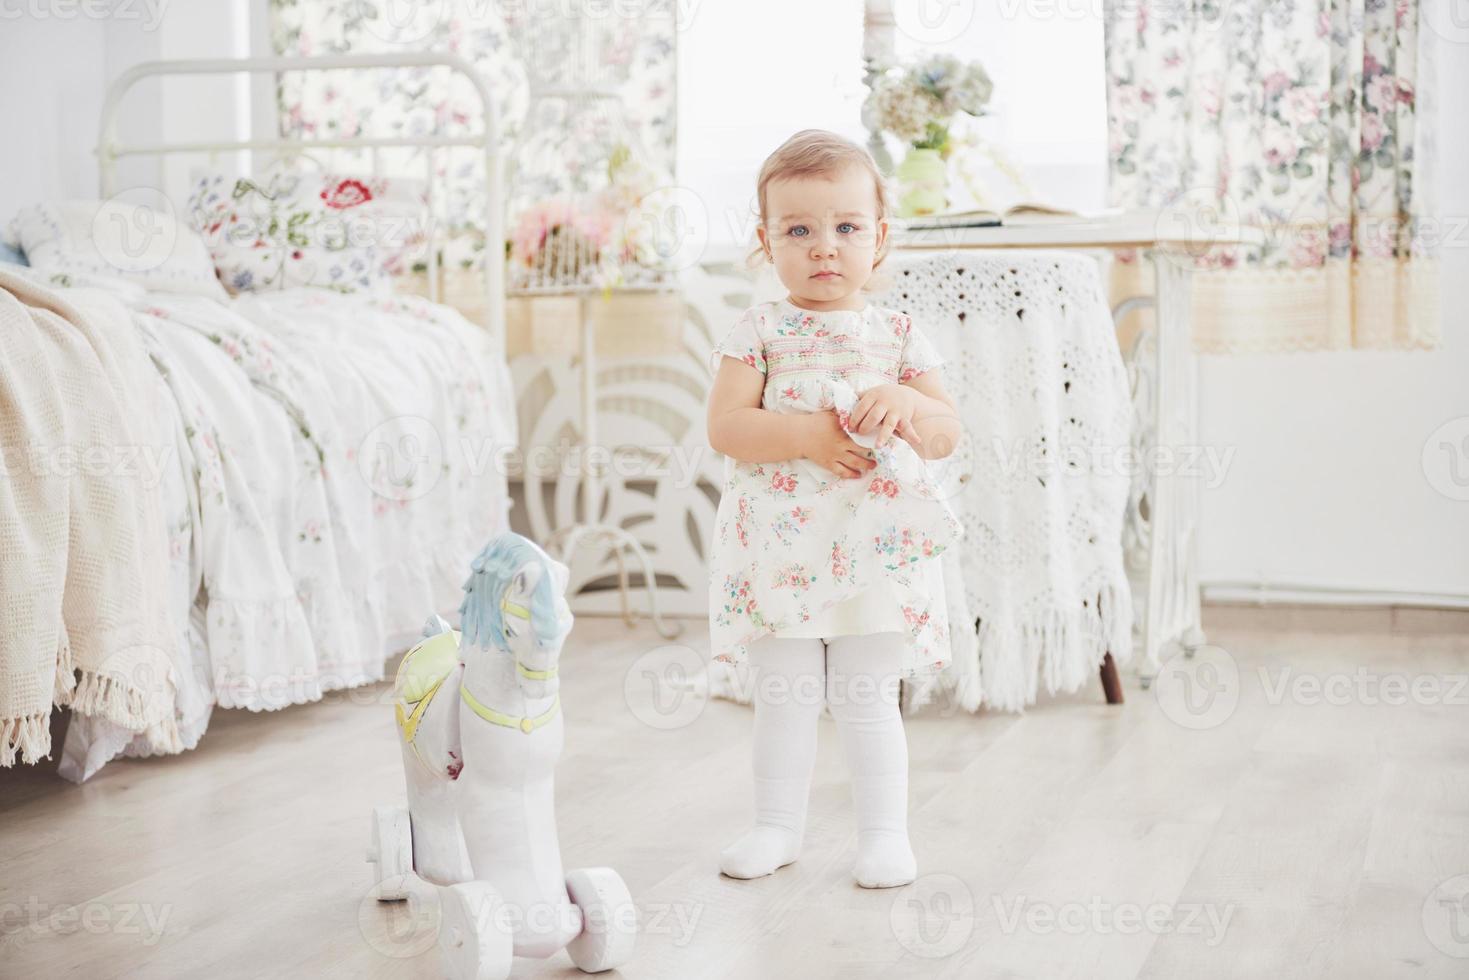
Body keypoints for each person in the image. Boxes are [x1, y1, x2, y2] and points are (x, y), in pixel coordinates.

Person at [704, 129, 964, 889]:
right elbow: (726, 428)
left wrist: (908, 399)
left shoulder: (898, 335)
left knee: (865, 698)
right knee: (783, 699)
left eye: (846, 228)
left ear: (879, 238)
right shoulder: (757, 331)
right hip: (780, 553)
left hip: (872, 553)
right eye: (798, 230)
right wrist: (806, 436)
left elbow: (946, 435)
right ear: (765, 242)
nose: (825, 247)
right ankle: (775, 827)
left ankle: (884, 836)